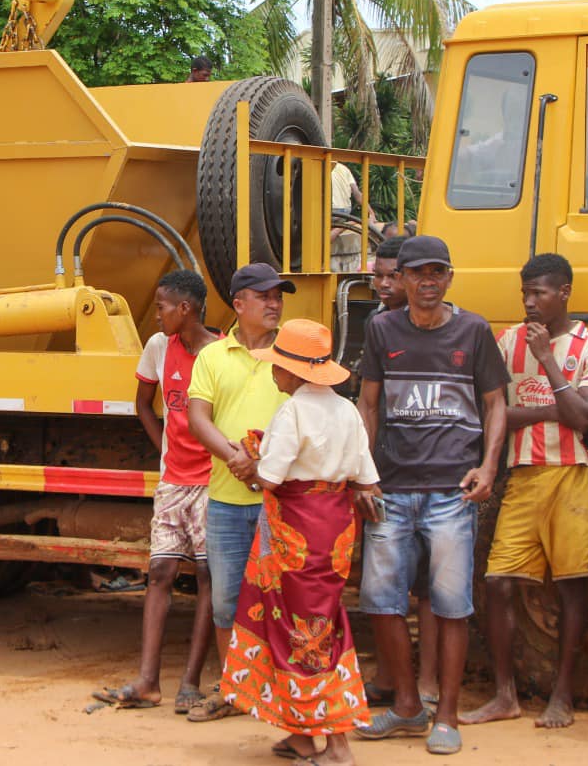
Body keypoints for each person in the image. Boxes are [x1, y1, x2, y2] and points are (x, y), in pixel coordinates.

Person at [353, 234, 508, 755]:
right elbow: (368, 405)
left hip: (451, 491)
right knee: (380, 602)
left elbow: (496, 405)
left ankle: (447, 715)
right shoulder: (381, 329)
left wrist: (488, 467)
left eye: (435, 272)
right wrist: (363, 471)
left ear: (448, 278)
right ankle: (405, 707)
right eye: (415, 272)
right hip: (392, 488)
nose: (425, 282)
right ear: (401, 278)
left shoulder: (474, 330)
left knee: (450, 606)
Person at [463, 253, 588, 729]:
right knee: (498, 582)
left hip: (571, 473)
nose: (529, 302)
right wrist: (556, 409)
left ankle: (562, 697)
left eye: (539, 293)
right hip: (523, 474)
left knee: (573, 585)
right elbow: (495, 417)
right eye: (524, 293)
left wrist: (547, 359)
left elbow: (584, 422)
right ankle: (505, 695)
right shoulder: (506, 342)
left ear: (564, 292)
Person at [220, 318, 378, 765]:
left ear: (293, 372)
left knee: (302, 631)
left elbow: (269, 477)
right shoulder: (347, 410)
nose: (272, 373)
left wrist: (249, 458)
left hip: (297, 534)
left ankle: (338, 744)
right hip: (334, 531)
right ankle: (302, 735)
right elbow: (365, 476)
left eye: (277, 366)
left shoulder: (292, 412)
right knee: (318, 620)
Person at [92, 269, 217, 710]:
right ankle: (148, 680)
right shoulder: (158, 348)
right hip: (172, 482)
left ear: (186, 309)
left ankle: (190, 682)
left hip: (210, 484)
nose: (157, 314)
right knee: (160, 573)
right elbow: (143, 403)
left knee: (207, 578)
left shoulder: (220, 354)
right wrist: (164, 446)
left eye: (163, 306)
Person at [183, 263, 294, 723]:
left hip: (282, 500)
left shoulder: (293, 351)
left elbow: (307, 411)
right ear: (239, 304)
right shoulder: (212, 355)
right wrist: (236, 458)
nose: (274, 303)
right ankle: (237, 690)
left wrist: (263, 462)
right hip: (228, 500)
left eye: (278, 296)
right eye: (264, 296)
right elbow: (197, 417)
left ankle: (281, 694)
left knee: (282, 601)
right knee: (228, 601)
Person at [362, 234, 441, 710]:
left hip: (432, 475)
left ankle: (427, 682)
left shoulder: (442, 328)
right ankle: (391, 677)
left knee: (429, 590)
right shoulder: (377, 327)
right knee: (383, 586)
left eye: (395, 275)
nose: (386, 284)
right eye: (381, 275)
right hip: (387, 472)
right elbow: (367, 401)